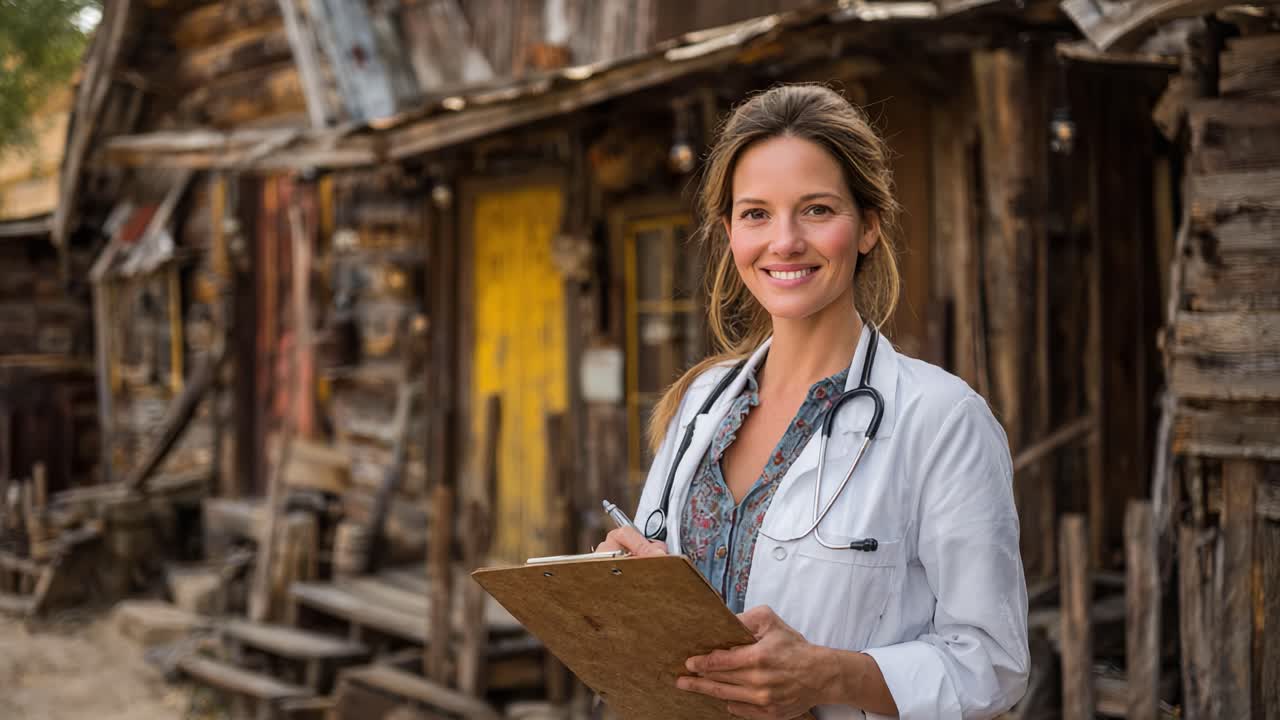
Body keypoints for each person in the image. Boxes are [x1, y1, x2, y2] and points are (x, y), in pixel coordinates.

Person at [597, 84, 1029, 720]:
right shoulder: (700, 406)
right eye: (756, 214)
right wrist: (632, 587)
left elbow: (992, 663)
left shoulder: (942, 420)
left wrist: (831, 676)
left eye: (818, 210)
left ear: (868, 226)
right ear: (729, 233)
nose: (785, 241)